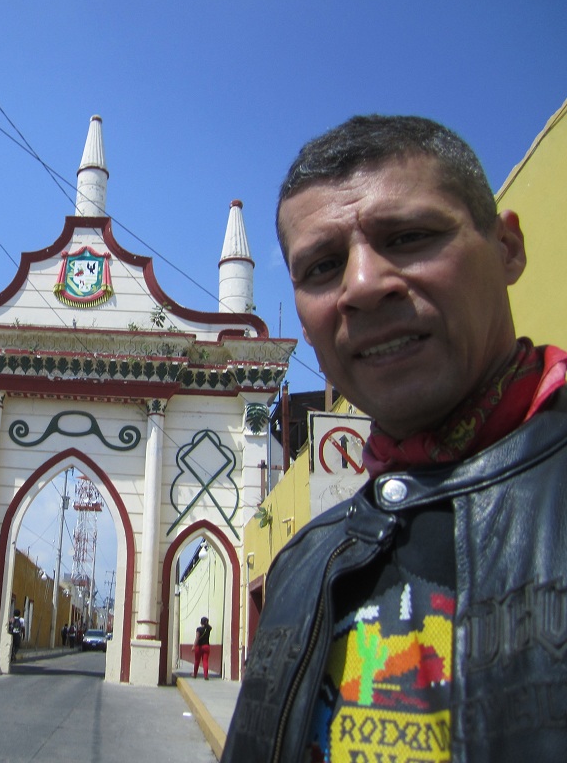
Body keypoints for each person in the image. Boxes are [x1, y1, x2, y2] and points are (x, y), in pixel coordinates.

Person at [222, 114, 567, 763]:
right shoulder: (302, 568)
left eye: (408, 237)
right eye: (323, 266)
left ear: (508, 248)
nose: (361, 286)